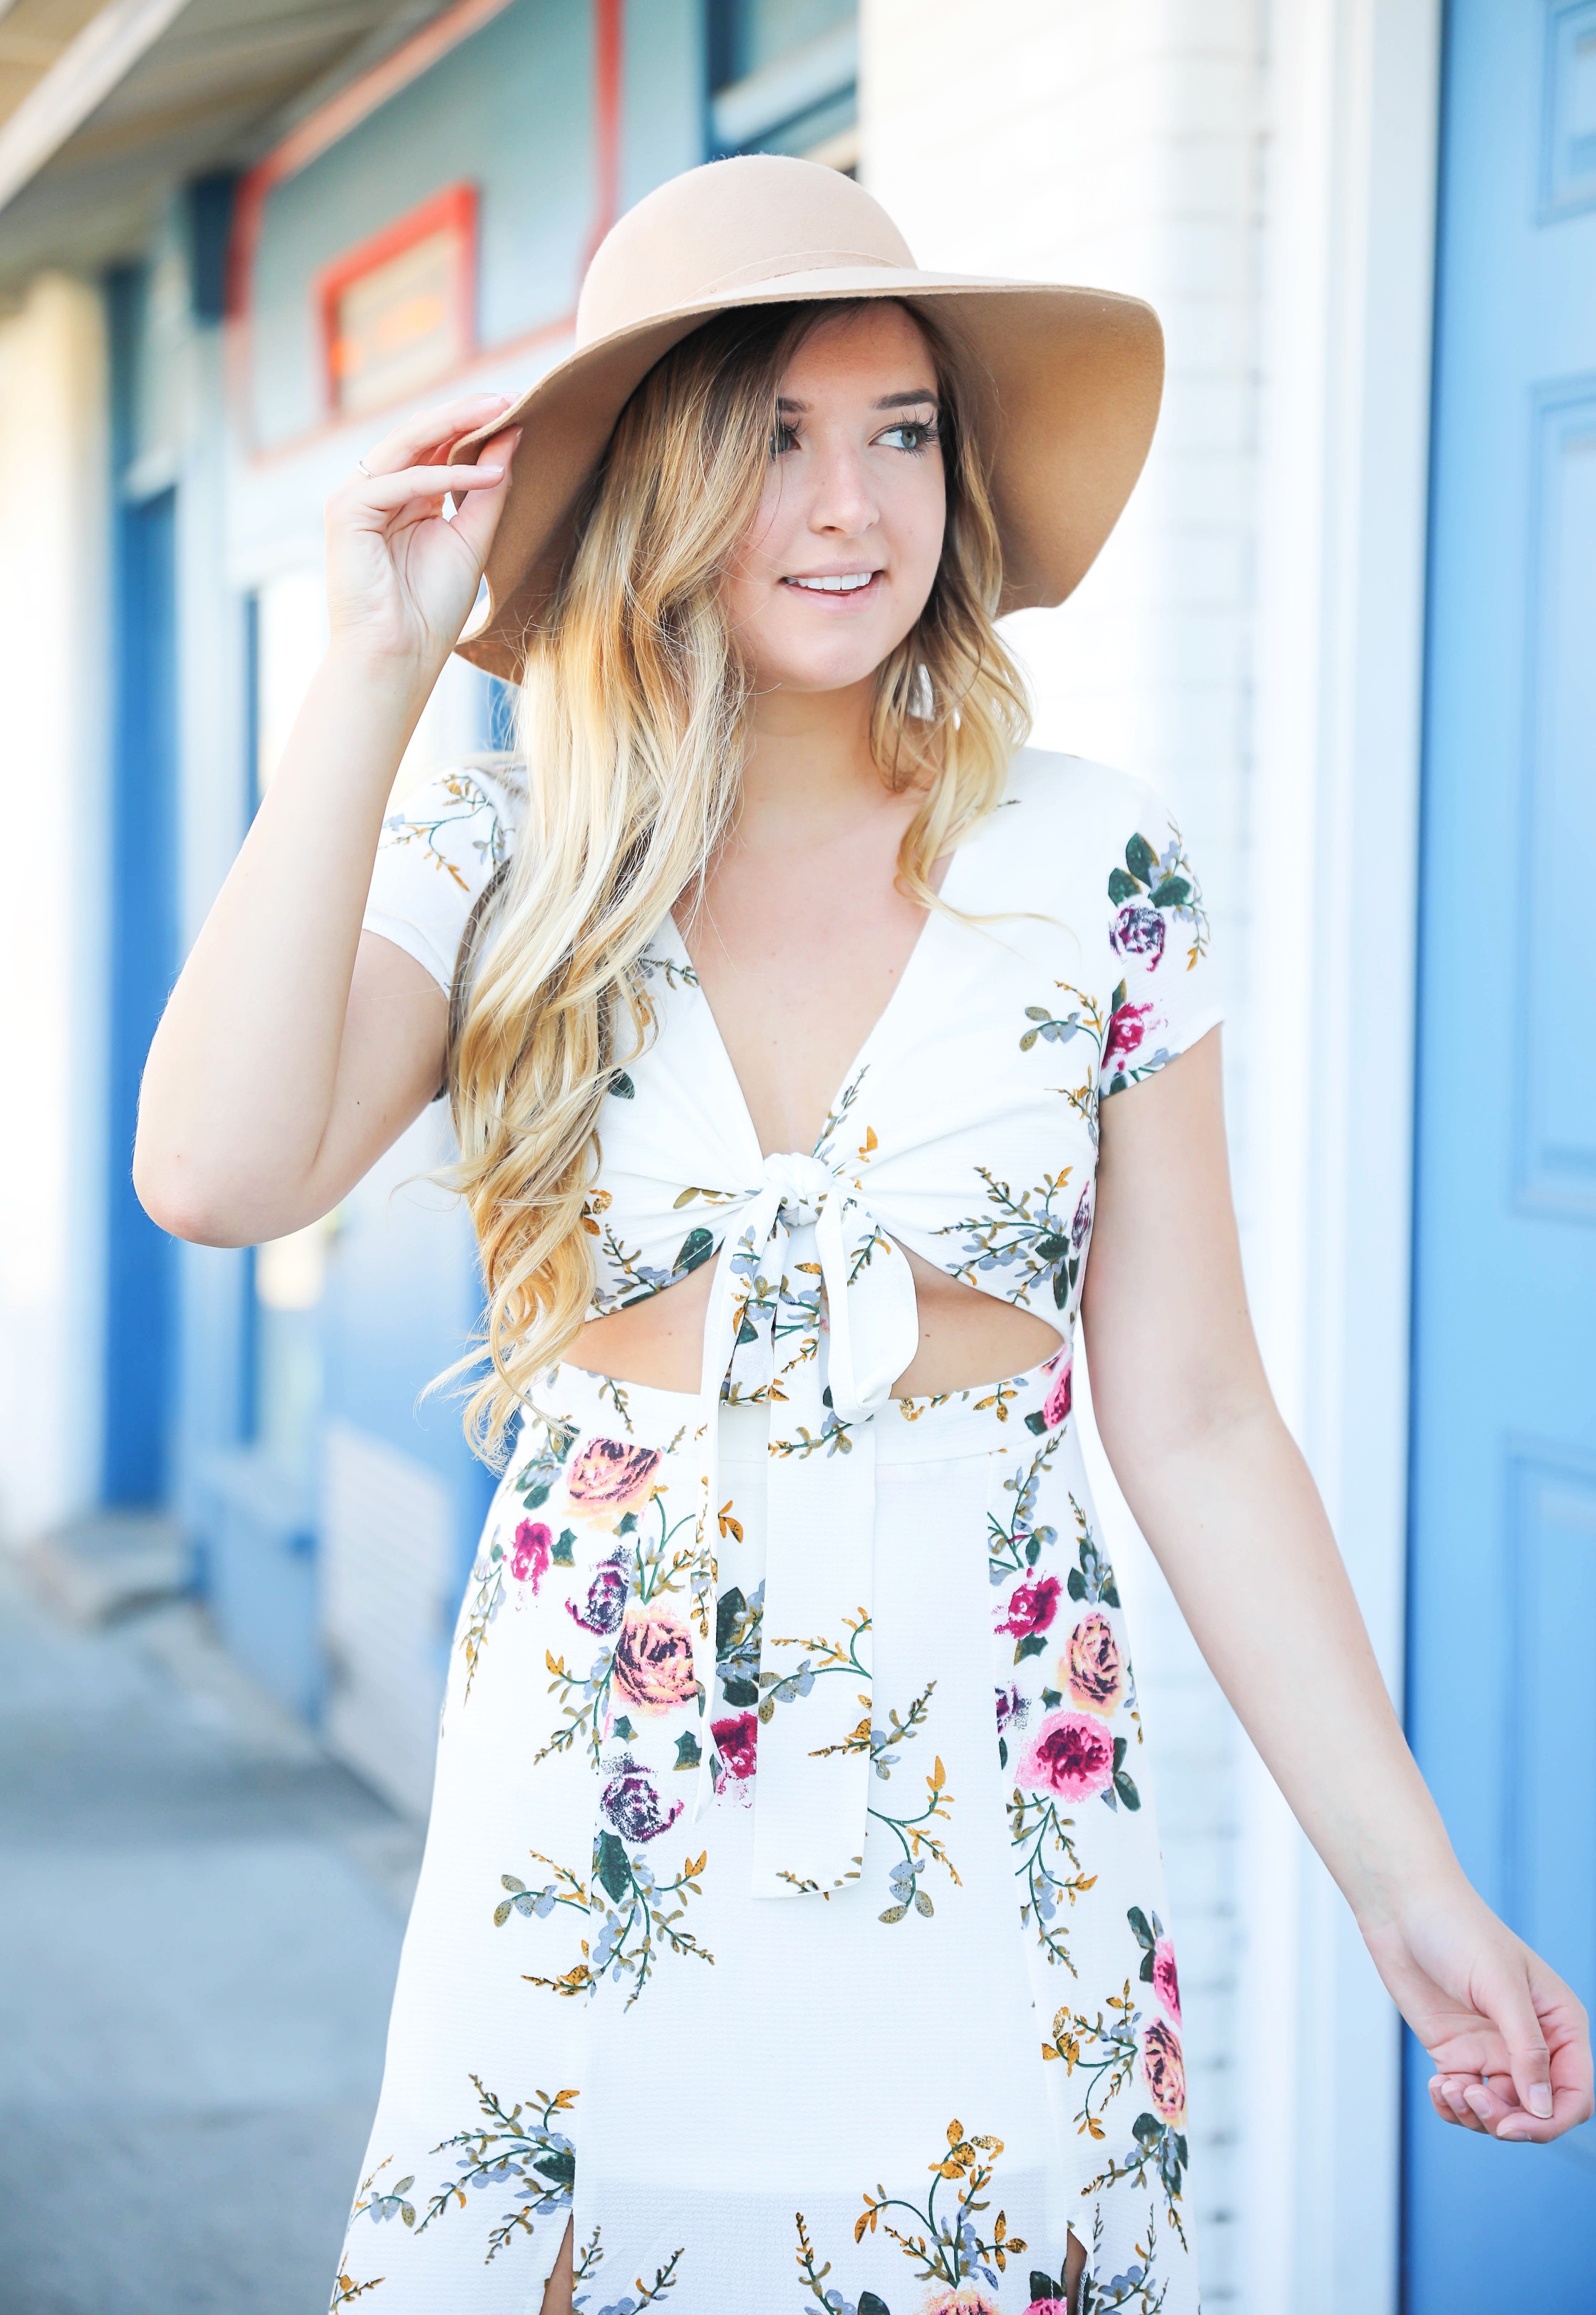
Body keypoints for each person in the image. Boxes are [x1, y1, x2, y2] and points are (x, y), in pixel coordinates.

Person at [135, 157, 1590, 2315]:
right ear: (655, 479)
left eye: (901, 431)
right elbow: (217, 1173)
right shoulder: (504, 845)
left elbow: (1191, 1418)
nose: (853, 509)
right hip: (600, 1802)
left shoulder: (1096, 861)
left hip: (995, 1791)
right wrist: (373, 671)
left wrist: (1410, 1887)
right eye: (776, 441)